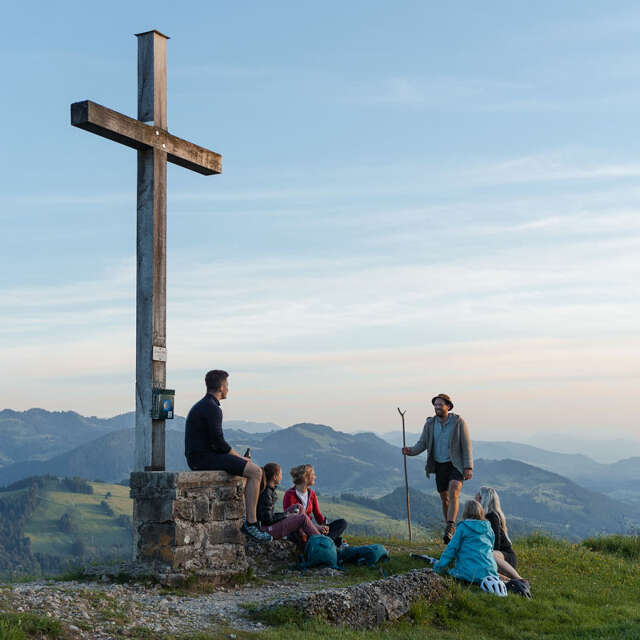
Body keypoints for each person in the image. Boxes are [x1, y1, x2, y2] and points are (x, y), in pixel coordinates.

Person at [184, 369, 271, 542]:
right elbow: (219, 442)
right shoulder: (213, 408)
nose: (228, 389)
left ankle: (251, 521)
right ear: (222, 387)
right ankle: (251, 524)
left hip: (198, 457)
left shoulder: (202, 405)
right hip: (204, 459)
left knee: (246, 471)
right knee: (255, 472)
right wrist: (239, 458)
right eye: (228, 385)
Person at [402, 393, 473, 544]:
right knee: (444, 498)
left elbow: (466, 445)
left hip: (456, 464)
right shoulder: (430, 424)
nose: (437, 407)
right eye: (435, 404)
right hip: (439, 465)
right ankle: (448, 527)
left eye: (440, 404)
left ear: (448, 406)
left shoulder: (458, 422)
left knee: (454, 489)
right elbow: (423, 443)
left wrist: (468, 466)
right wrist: (410, 451)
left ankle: (451, 526)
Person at [433, 499, 499, 584]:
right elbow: (491, 549)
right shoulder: (488, 528)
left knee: (449, 572)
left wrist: (438, 567)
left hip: (468, 574)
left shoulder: (463, 527)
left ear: (466, 512)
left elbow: (451, 549)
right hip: (490, 573)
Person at [282, 464, 348, 547]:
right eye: (313, 474)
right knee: (297, 532)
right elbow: (292, 520)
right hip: (300, 530)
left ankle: (325, 541)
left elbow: (317, 514)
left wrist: (324, 526)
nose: (315, 477)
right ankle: (329, 542)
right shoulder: (290, 495)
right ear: (305, 477)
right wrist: (316, 528)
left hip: (313, 529)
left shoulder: (311, 494)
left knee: (342, 523)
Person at [257, 463, 323, 541]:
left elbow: (269, 516)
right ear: (275, 477)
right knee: (302, 517)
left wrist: (286, 514)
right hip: (267, 529)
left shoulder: (269, 491)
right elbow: (267, 519)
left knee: (298, 506)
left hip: (269, 525)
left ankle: (313, 534)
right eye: (280, 474)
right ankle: (322, 542)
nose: (281, 477)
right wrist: (286, 515)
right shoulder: (267, 493)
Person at [477, 486, 529, 583]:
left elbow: (495, 544)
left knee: (488, 554)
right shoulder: (487, 516)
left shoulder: (492, 516)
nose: (475, 498)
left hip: (505, 556)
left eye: (477, 496)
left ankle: (520, 579)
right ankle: (508, 581)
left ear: (482, 499)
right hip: (499, 556)